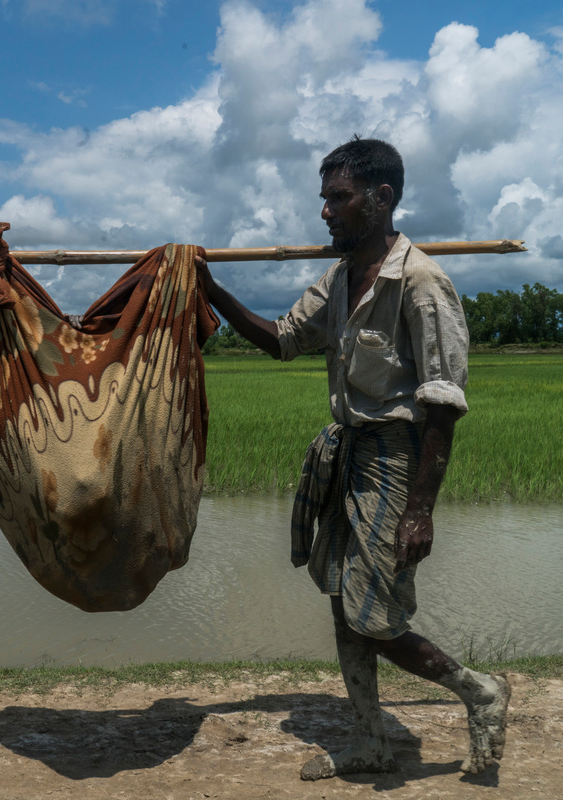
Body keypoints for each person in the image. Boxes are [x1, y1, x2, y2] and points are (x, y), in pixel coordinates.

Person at [197, 137, 510, 780]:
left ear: (381, 198)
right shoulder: (339, 280)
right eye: (324, 199)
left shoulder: (421, 281)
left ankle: (479, 689)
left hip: (396, 460)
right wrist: (212, 289)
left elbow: (444, 404)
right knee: (344, 602)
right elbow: (283, 340)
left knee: (375, 616)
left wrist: (420, 509)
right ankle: (367, 739)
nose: (325, 213)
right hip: (347, 454)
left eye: (337, 199)